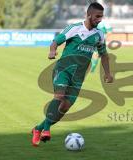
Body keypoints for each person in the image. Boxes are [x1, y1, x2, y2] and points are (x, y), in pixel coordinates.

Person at [31, 2, 113, 147]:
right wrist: (52, 51)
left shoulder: (99, 34)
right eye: (97, 16)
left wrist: (108, 73)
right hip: (63, 69)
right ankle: (47, 130)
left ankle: (38, 129)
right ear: (89, 15)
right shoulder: (75, 28)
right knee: (59, 96)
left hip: (79, 76)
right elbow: (56, 41)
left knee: (64, 108)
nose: (100, 19)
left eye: (101, 17)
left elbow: (104, 55)